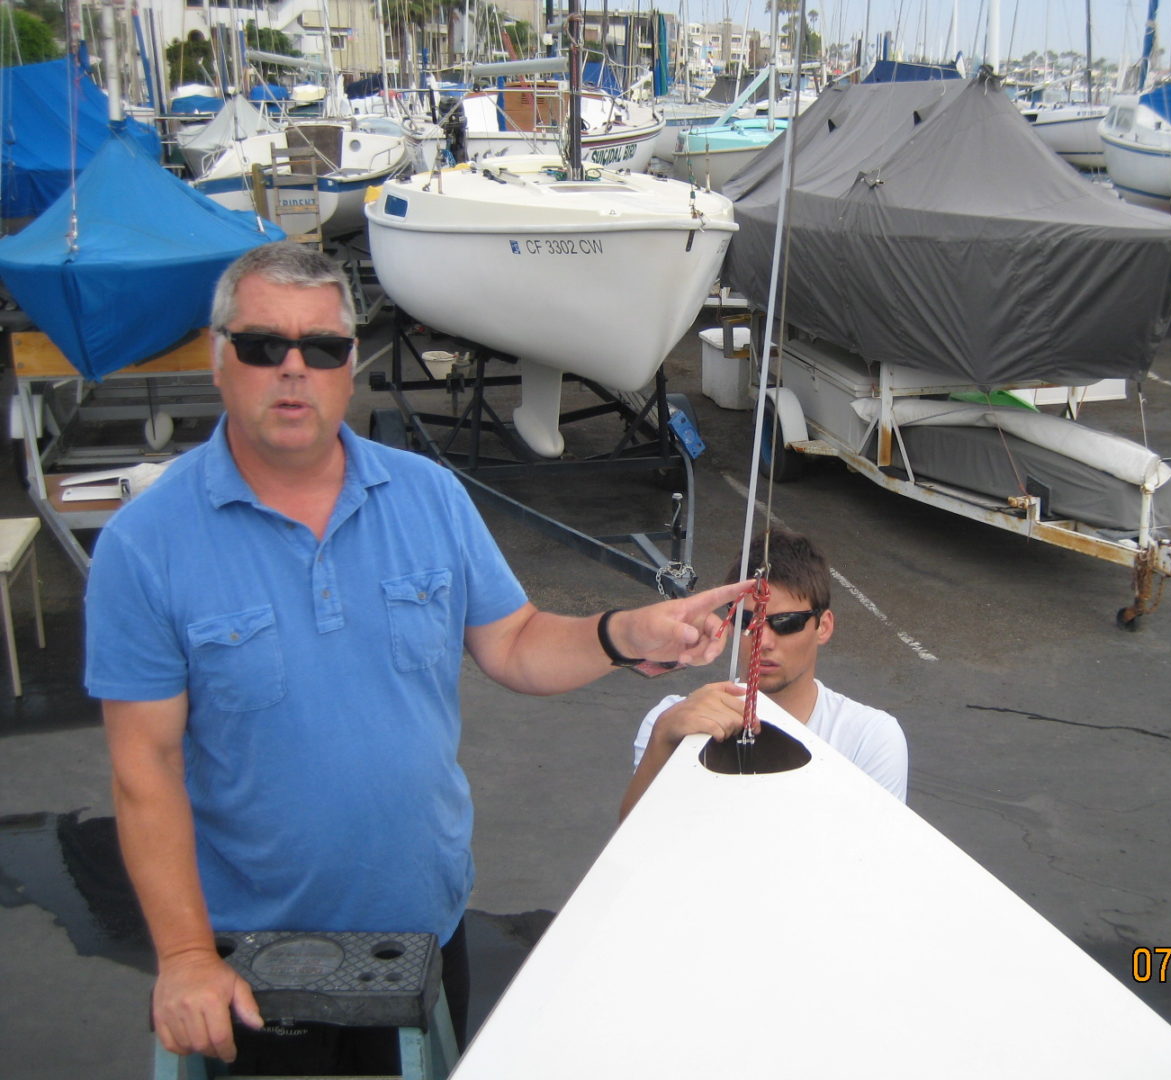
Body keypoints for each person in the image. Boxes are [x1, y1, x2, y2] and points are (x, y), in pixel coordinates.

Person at [84, 242, 752, 1066]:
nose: (293, 369)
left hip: (422, 937)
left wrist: (625, 633)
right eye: (263, 346)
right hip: (247, 958)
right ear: (221, 360)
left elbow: (512, 642)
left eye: (321, 348)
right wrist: (184, 958)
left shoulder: (430, 495)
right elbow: (141, 769)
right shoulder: (143, 546)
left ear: (348, 366)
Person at [620, 530, 907, 821]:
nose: (763, 641)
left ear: (823, 627)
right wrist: (662, 739)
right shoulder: (673, 722)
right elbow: (633, 842)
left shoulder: (869, 737)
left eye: (786, 623)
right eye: (747, 621)